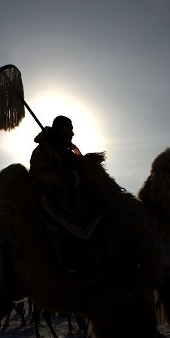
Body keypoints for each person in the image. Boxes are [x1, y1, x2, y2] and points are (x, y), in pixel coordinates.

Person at [29, 116, 100, 288]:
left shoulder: (66, 149)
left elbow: (77, 164)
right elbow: (40, 173)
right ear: (61, 129)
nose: (73, 133)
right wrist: (67, 178)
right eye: (70, 129)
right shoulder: (45, 149)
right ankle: (71, 268)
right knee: (74, 221)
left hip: (71, 194)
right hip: (51, 195)